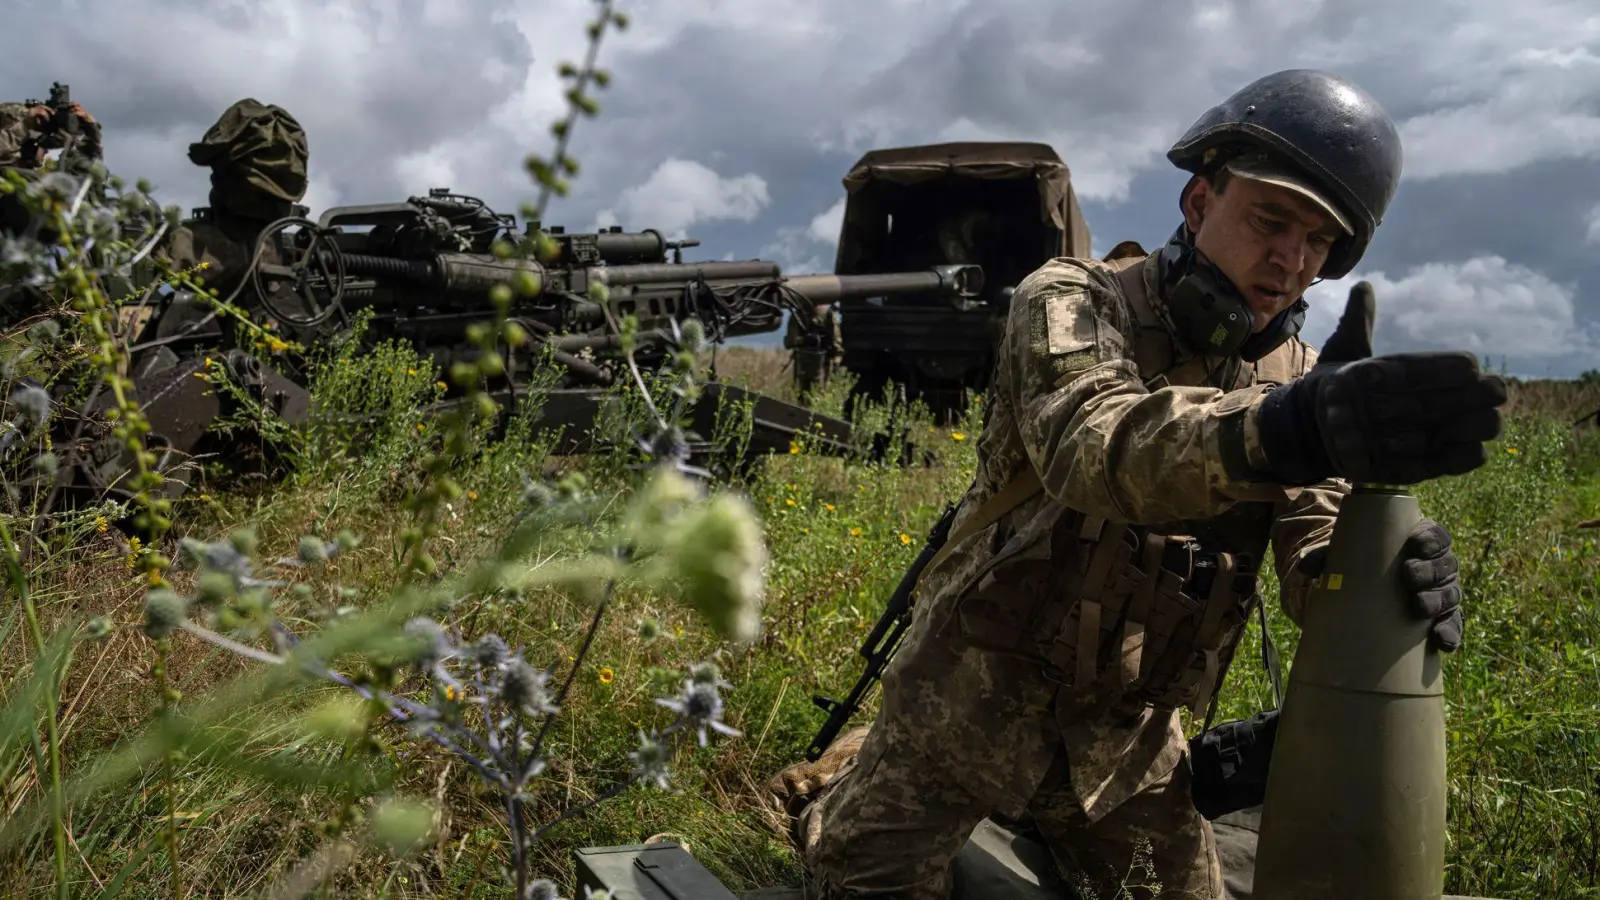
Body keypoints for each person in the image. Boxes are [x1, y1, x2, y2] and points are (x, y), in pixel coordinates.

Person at [767, 69, 1506, 899]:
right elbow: (1096, 445)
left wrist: (1389, 571)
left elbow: (1316, 565)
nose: (1291, 260)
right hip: (962, 707)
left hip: (1123, 750)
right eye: (1271, 220)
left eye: (1319, 243)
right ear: (1198, 204)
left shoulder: (1299, 377)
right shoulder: (1074, 299)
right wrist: (1283, 430)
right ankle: (842, 784)